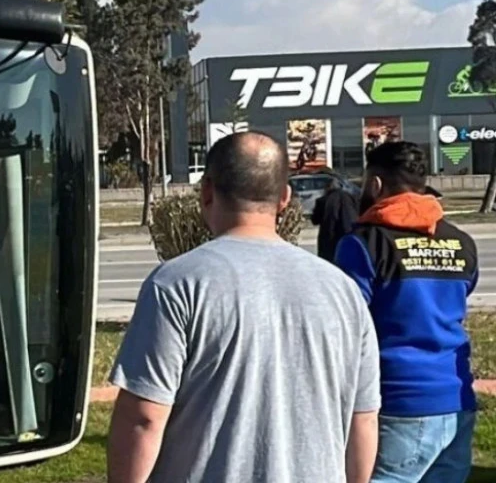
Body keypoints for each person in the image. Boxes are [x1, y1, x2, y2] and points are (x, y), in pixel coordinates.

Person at [106, 131, 381, 483]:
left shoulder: (176, 284)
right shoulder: (342, 291)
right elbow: (364, 418)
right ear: (284, 198)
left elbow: (144, 417)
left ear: (206, 192)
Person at [335, 141, 479, 482]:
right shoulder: (462, 243)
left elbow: (345, 324)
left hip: (398, 401)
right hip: (456, 398)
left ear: (376, 185)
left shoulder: (363, 244)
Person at [311, 175, 360, 262]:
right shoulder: (351, 198)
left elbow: (315, 220)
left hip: (328, 239)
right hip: (349, 235)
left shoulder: (322, 200)